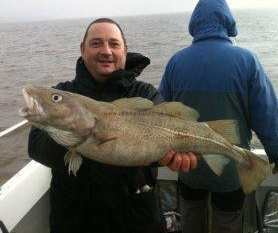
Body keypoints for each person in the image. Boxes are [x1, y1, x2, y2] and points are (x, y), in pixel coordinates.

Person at [28, 18, 197, 233]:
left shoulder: (144, 94)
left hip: (136, 221)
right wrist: (71, 126)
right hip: (74, 221)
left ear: (125, 50)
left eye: (114, 44)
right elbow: (36, 147)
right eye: (96, 43)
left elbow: (164, 139)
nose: (106, 51)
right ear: (83, 49)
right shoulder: (62, 93)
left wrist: (173, 158)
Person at [159, 0, 278, 233]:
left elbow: (159, 114)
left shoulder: (175, 62)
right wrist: (277, 154)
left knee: (191, 221)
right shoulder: (247, 60)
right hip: (231, 170)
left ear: (194, 24)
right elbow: (266, 115)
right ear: (228, 22)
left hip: (188, 167)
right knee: (226, 224)